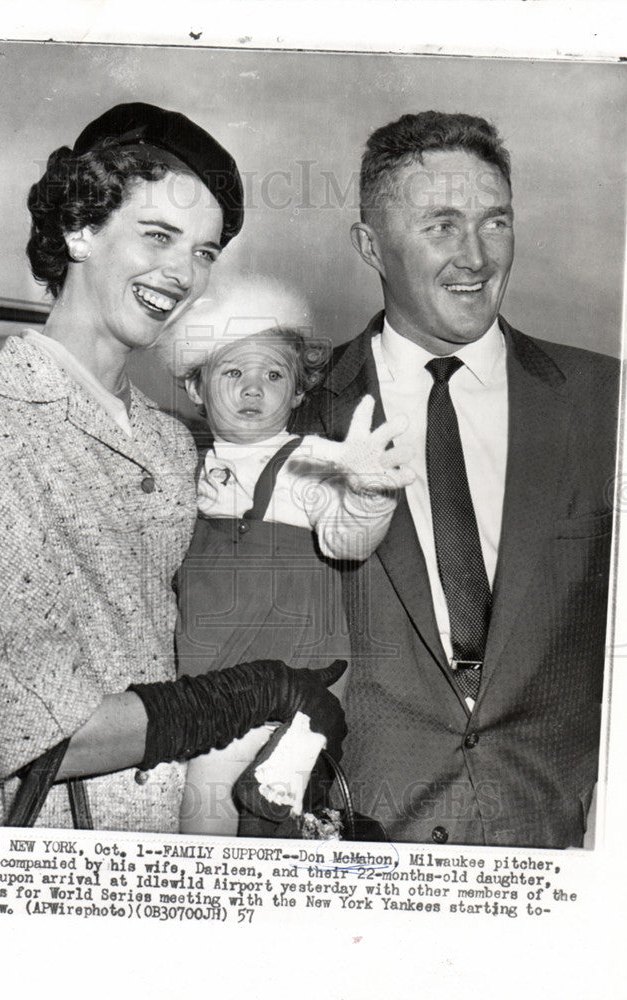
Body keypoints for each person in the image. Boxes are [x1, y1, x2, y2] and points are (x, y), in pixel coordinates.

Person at [0, 102, 346, 832]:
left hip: (189, 819)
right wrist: (259, 693)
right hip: (51, 837)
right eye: (158, 235)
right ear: (80, 227)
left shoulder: (167, 441)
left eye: (203, 251)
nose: (183, 274)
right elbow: (43, 739)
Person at [292, 111, 619, 849]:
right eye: (440, 225)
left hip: (559, 845)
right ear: (370, 246)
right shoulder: (294, 413)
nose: (475, 256)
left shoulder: (612, 402)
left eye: (495, 222)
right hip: (361, 853)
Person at [164, 278, 415, 835]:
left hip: (287, 685)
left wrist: (368, 494)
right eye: (233, 373)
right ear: (197, 387)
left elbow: (347, 539)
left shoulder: (311, 463)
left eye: (274, 375)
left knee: (210, 828)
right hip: (205, 685)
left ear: (299, 393)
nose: (255, 388)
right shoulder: (184, 464)